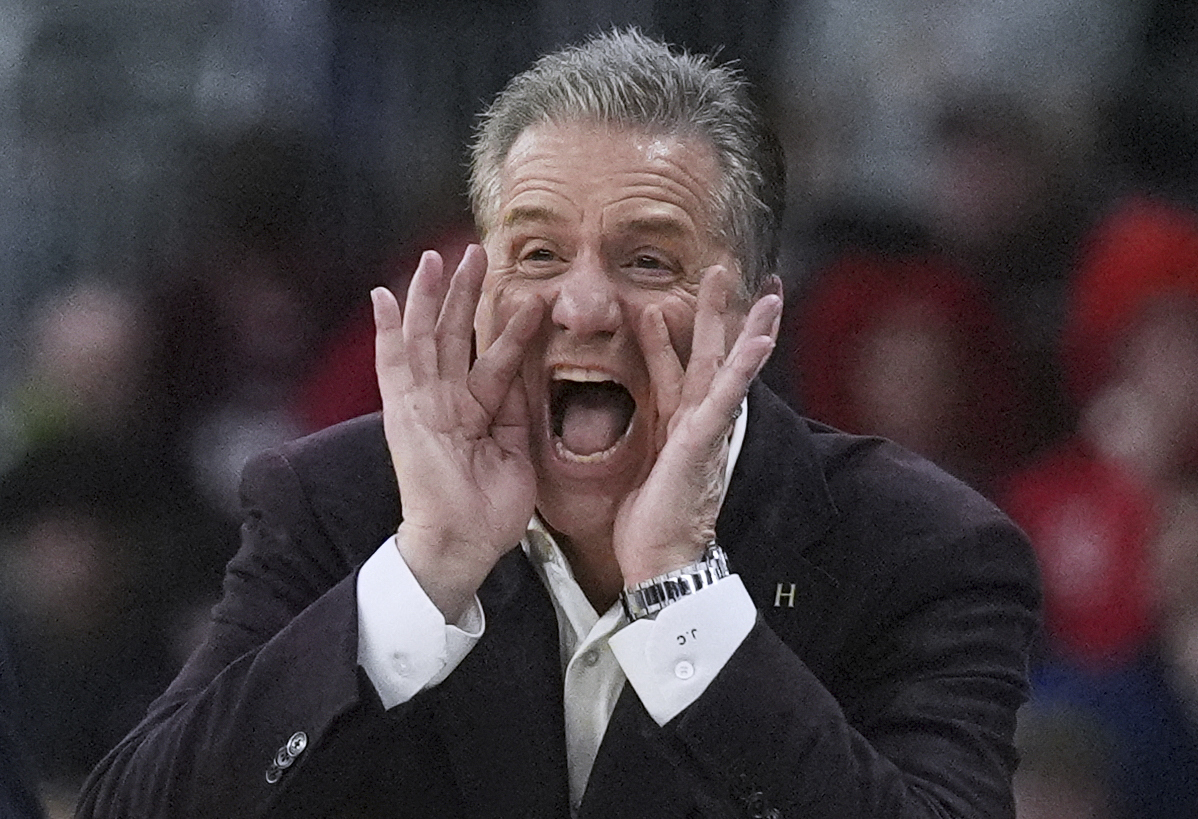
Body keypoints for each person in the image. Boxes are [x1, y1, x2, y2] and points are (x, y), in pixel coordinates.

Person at [76, 30, 1040, 819]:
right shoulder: (339, 504)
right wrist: (423, 575)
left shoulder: (924, 551)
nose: (582, 306)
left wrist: (683, 595)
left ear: (755, 317)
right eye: (537, 252)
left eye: (649, 261)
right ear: (477, 282)